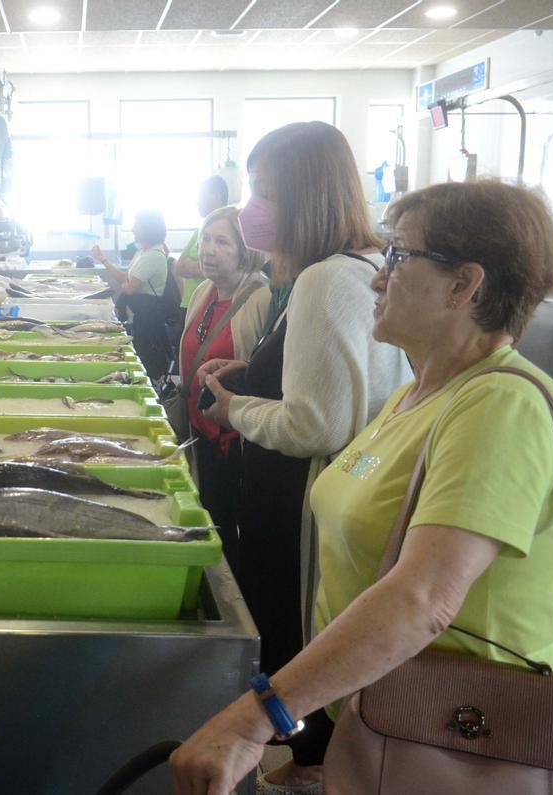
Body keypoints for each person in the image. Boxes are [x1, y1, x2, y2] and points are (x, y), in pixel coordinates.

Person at [171, 179, 553, 795]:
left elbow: (424, 599)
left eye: (398, 256)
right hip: (383, 720)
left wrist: (259, 716)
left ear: (464, 284)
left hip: (463, 739)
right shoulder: (416, 395)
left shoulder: (501, 405)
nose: (377, 278)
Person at [194, 121, 412, 791]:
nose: (252, 206)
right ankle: (317, 760)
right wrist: (257, 367)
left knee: (297, 637)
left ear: (307, 196)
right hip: (336, 493)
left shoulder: (323, 279)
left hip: (302, 504)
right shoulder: (351, 270)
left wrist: (234, 407)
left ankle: (311, 766)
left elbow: (314, 421)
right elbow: (324, 379)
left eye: (264, 191)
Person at [179, 206, 270, 569]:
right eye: (205, 239)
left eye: (222, 242)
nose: (208, 249)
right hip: (200, 430)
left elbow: (261, 374)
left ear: (245, 250)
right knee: (208, 510)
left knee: (230, 527)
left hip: (234, 440)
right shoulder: (204, 291)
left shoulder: (260, 299)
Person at [91, 210, 176, 379]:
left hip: (150, 318)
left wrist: (125, 284)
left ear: (148, 229)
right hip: (139, 315)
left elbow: (130, 288)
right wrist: (103, 260)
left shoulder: (154, 255)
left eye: (137, 226)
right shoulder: (142, 252)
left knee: (148, 359)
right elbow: (126, 278)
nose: (133, 229)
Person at [174, 175, 230, 309]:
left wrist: (195, 266)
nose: (197, 202)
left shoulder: (232, 230)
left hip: (212, 304)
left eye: (201, 196)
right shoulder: (199, 230)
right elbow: (179, 267)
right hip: (189, 303)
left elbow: (227, 268)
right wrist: (205, 267)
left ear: (216, 197)